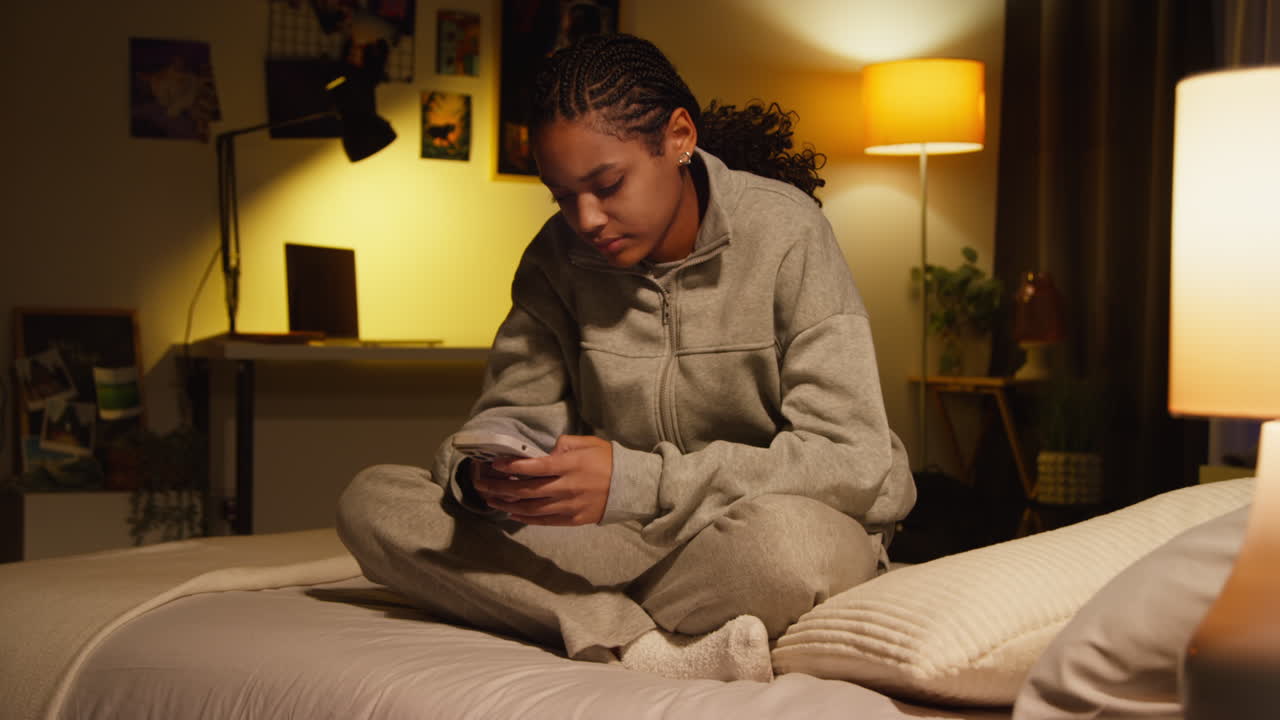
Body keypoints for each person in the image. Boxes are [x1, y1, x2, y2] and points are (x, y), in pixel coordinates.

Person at [337, 33, 916, 683]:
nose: (585, 219)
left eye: (607, 185)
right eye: (560, 195)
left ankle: (552, 606)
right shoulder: (555, 259)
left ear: (677, 137)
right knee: (375, 501)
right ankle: (638, 642)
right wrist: (485, 478)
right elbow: (511, 413)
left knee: (793, 554)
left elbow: (852, 458)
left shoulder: (788, 235)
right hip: (613, 541)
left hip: (746, 531)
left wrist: (636, 480)